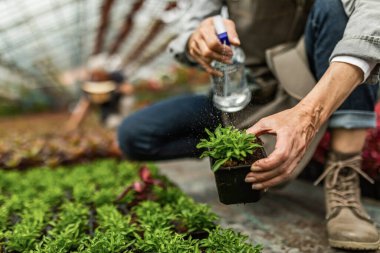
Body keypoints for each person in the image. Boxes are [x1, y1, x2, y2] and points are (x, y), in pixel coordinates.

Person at [117, 0, 380, 250]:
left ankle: (342, 173)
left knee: (344, 15)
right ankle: (239, 151)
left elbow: (372, 17)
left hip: (313, 86)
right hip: (245, 93)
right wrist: (196, 39)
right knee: (136, 135)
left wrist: (308, 117)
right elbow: (193, 23)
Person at [65, 69, 134, 131]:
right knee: (113, 124)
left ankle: (129, 120)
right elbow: (84, 106)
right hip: (110, 113)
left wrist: (114, 88)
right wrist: (73, 124)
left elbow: (129, 89)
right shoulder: (90, 87)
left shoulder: (115, 77)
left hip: (121, 106)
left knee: (127, 101)